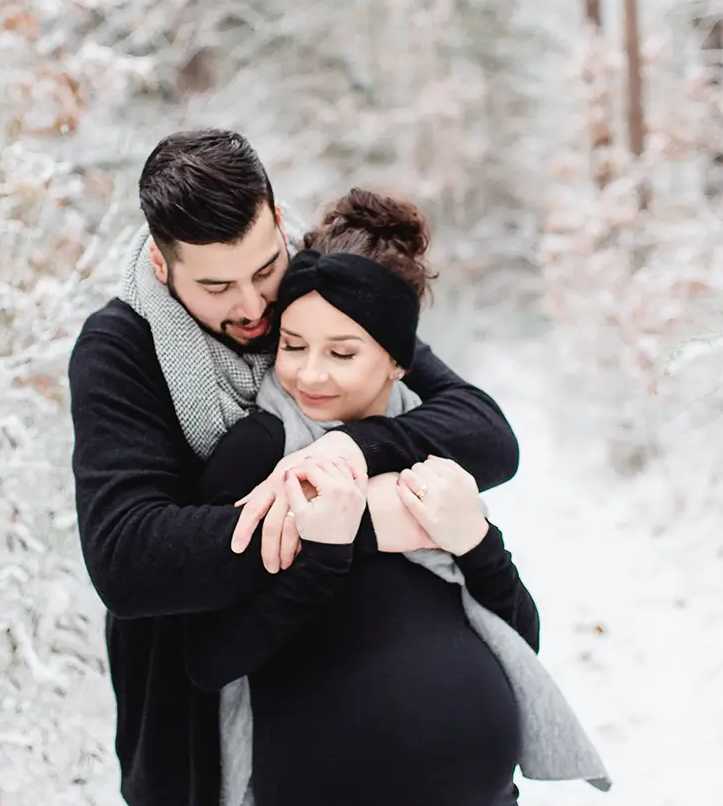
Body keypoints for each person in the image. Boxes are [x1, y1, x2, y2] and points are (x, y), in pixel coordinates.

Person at [67, 129, 522, 806]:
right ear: (163, 266)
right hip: (193, 736)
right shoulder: (121, 348)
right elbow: (127, 558)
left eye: (261, 271)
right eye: (216, 286)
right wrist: (353, 521)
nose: (254, 308)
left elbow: (484, 432)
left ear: (278, 225)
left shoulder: (317, 292)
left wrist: (354, 450)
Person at [183, 189, 607, 806]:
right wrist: (324, 555)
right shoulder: (262, 454)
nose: (311, 373)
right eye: (293, 346)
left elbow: (518, 641)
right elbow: (208, 659)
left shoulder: (435, 444)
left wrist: (479, 544)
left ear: (399, 362)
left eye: (342, 352)